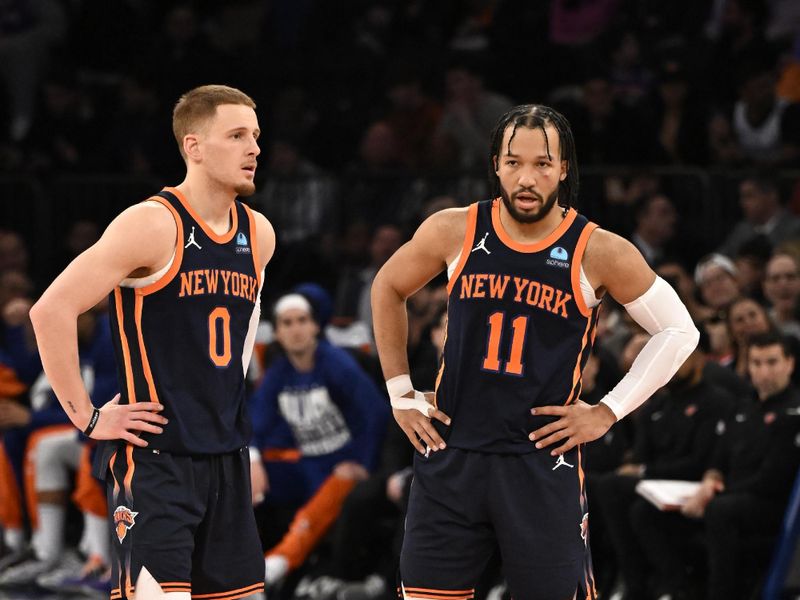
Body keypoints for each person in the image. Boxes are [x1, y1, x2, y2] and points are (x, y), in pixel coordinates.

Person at [371, 104, 699, 600]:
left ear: (564, 168)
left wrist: (607, 411)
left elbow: (679, 331)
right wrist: (399, 392)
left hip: (541, 462)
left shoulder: (598, 249)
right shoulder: (455, 228)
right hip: (452, 453)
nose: (527, 178)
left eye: (542, 164)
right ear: (495, 165)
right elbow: (388, 287)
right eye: (514, 162)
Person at [29, 84, 275, 600]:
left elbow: (243, 347)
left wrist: (246, 450)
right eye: (236, 136)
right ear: (194, 147)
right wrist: (88, 417)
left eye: (255, 135)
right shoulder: (152, 223)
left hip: (226, 457)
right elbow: (50, 310)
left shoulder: (259, 233)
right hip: (156, 463)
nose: (254, 148)